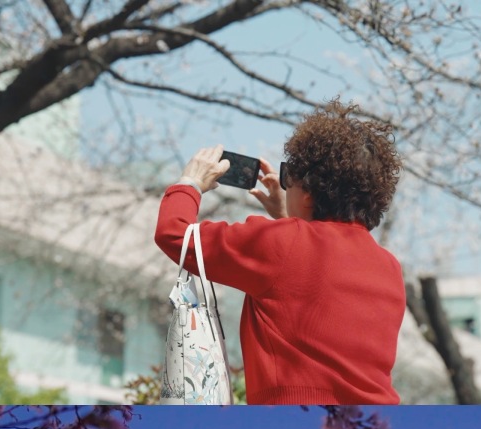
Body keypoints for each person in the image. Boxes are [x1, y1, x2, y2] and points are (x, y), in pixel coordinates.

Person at [153, 100, 404, 405]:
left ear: (308, 192)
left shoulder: (283, 243)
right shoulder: (389, 267)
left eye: (290, 178)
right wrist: (291, 218)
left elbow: (175, 234)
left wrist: (189, 182)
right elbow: (316, 276)